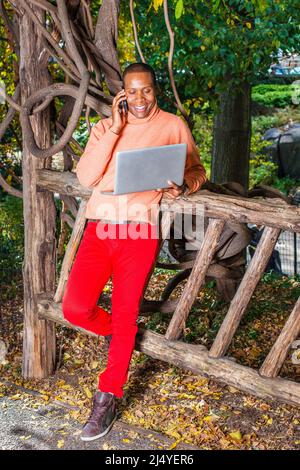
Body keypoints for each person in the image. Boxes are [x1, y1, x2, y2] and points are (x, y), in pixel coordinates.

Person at [62, 63, 207, 441]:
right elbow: (87, 177)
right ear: (121, 93)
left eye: (146, 90)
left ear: (154, 90)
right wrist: (114, 127)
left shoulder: (173, 125)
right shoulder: (104, 127)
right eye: (132, 91)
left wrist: (184, 187)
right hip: (100, 228)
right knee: (75, 308)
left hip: (140, 232)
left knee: (126, 313)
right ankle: (120, 334)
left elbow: (197, 170)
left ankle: (107, 396)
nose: (140, 99)